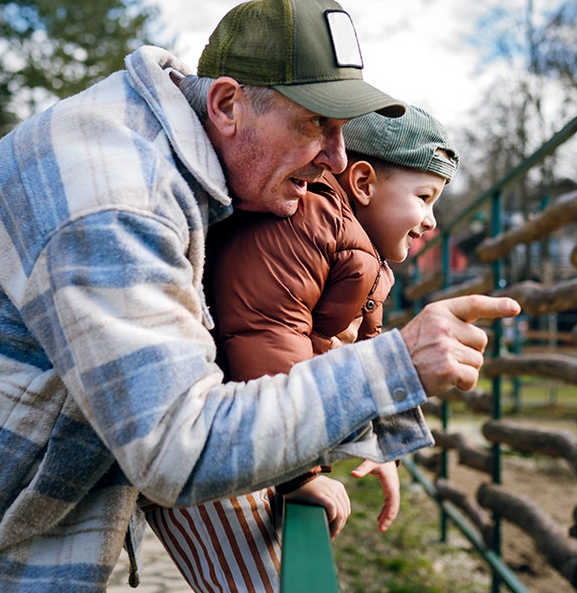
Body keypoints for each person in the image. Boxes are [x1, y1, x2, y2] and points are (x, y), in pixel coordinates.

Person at [0, 0, 520, 590]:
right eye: (315, 125)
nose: (338, 159)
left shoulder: (171, 155)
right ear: (225, 105)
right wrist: (392, 367)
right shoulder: (118, 203)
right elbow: (176, 446)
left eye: (343, 132)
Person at [145, 105, 459, 592]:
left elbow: (366, 351)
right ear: (364, 183)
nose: (431, 221)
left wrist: (386, 446)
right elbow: (266, 336)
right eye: (424, 197)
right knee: (269, 581)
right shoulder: (306, 220)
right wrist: (300, 474)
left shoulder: (362, 253)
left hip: (248, 425)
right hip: (208, 423)